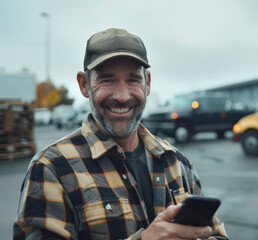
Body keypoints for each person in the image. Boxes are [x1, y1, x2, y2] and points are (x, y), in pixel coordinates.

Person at [13, 28, 228, 240]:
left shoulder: (178, 163)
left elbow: (217, 234)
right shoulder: (52, 170)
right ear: (84, 84)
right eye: (107, 80)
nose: (122, 96)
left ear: (148, 84)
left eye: (133, 80)